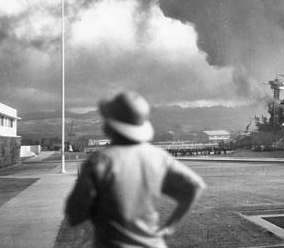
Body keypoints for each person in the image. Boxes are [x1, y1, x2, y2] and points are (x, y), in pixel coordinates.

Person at [65, 91, 206, 248]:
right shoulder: (159, 157)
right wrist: (169, 227)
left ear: (109, 125)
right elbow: (196, 186)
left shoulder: (100, 161)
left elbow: (74, 215)